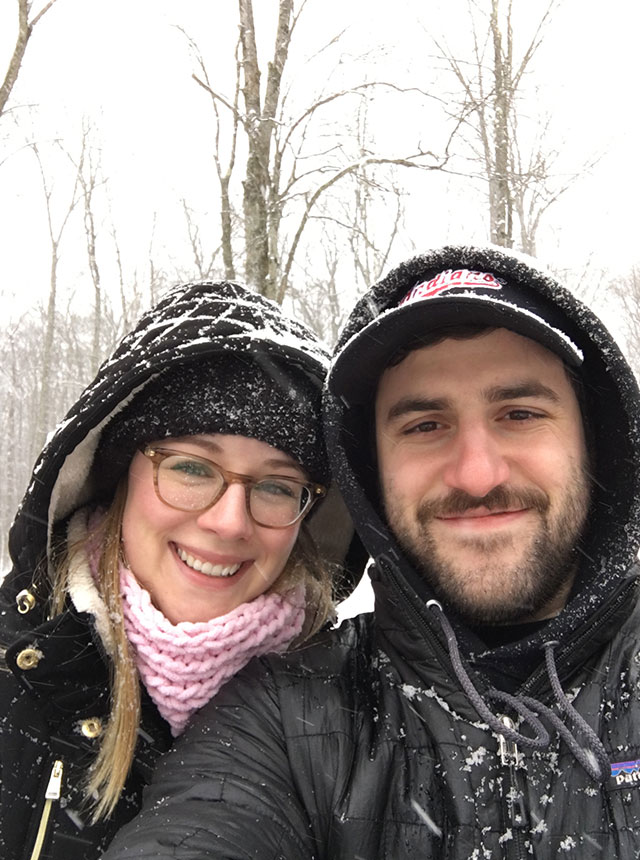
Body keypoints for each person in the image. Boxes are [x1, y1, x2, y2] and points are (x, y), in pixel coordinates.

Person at [102, 245, 640, 859]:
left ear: (595, 442)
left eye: (519, 413)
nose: (477, 474)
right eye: (424, 426)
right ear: (371, 476)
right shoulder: (281, 713)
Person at [0, 279, 351, 860]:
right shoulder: (19, 677)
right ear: (121, 476)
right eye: (192, 469)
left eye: (274, 486)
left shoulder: (353, 714)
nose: (230, 523)